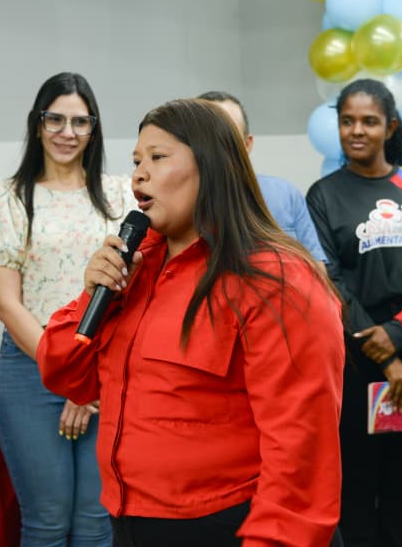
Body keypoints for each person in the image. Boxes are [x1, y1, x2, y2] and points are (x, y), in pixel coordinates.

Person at [37, 98, 345, 547]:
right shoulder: (139, 267)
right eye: (136, 161)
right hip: (130, 523)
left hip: (232, 526)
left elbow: (301, 453)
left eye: (158, 158)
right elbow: (66, 374)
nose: (139, 174)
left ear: (213, 168)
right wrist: (94, 293)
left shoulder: (277, 280)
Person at [0, 72, 131, 546]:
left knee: (96, 519)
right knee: (46, 519)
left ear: (94, 128)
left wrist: (87, 383)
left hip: (105, 369)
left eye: (80, 122)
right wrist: (67, 375)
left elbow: (133, 288)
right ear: (37, 124)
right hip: (30, 369)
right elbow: (7, 304)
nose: (68, 132)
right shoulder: (6, 196)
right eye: (56, 119)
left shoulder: (120, 194)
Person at [305, 79, 402, 547]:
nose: (356, 131)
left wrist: (400, 334)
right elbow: (330, 281)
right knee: (357, 489)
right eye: (347, 120)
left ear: (390, 126)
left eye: (369, 121)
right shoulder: (323, 195)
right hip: (356, 362)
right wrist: (384, 352)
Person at [197, 90, 328, 271]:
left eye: (229, 136)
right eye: (206, 136)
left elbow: (317, 273)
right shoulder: (176, 206)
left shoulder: (284, 196)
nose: (217, 146)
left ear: (247, 144)